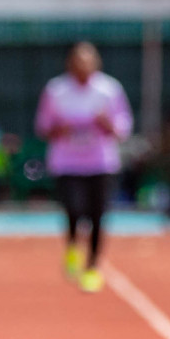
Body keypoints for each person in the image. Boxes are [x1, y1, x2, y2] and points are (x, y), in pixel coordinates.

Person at [34, 42, 133, 293]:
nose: (83, 67)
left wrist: (105, 123)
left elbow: (123, 128)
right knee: (74, 210)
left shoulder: (109, 90)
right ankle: (72, 246)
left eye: (88, 62)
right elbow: (43, 127)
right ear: (70, 64)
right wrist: (60, 129)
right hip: (67, 163)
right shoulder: (56, 91)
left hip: (100, 162)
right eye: (78, 62)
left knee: (98, 216)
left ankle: (92, 267)